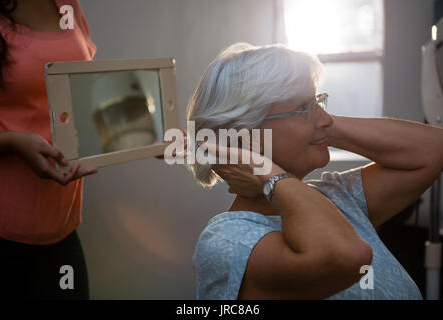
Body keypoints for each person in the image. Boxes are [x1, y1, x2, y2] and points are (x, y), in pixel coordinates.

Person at [187, 42, 443, 299]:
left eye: (318, 101)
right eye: (303, 108)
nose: (327, 119)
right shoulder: (225, 241)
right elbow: (347, 256)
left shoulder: (336, 197)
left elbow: (433, 149)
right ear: (246, 135)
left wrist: (315, 123)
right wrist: (270, 175)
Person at [0, 0, 97, 299]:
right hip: (0, 235)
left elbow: (83, 91)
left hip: (61, 228)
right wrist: (13, 142)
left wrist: (143, 138)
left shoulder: (67, 5)